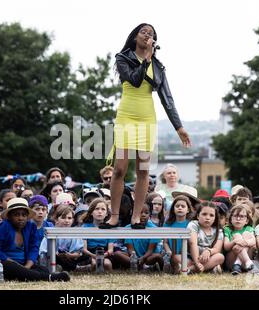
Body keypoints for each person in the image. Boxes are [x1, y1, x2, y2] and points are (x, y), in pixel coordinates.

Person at [101, 23, 191, 230]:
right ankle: (114, 216)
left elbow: (167, 98)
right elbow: (133, 80)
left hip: (146, 117)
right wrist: (146, 60)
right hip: (126, 116)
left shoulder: (158, 67)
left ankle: (135, 217)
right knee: (119, 169)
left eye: (151, 34)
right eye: (144, 32)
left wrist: (179, 127)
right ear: (135, 37)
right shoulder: (123, 58)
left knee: (143, 170)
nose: (147, 35)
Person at [0, 197, 70, 282]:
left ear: (27, 216)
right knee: (11, 267)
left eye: (24, 215)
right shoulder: (3, 227)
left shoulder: (30, 227)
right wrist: (18, 266)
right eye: (16, 215)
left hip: (24, 264)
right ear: (9, 216)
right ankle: (50, 278)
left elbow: (33, 248)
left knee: (43, 269)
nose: (20, 218)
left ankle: (26, 275)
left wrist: (27, 266)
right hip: (4, 263)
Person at [39, 205, 88, 271]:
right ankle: (75, 268)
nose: (67, 221)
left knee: (85, 256)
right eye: (63, 218)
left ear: (73, 220)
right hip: (53, 258)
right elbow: (43, 251)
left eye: (69, 218)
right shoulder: (51, 232)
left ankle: (68, 267)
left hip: (69, 258)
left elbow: (78, 253)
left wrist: (70, 255)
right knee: (55, 258)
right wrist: (54, 253)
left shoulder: (74, 233)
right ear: (56, 219)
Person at [187, 202, 225, 274]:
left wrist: (209, 251)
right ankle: (208, 268)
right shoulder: (193, 224)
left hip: (207, 258)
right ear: (198, 216)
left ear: (215, 218)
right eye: (204, 214)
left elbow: (217, 249)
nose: (207, 218)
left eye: (211, 215)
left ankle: (190, 270)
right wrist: (196, 262)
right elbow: (193, 243)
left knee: (220, 257)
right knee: (177, 257)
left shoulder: (218, 230)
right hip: (192, 256)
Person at [124, 203, 163, 271]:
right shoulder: (128, 228)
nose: (143, 215)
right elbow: (130, 248)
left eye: (146, 213)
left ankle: (142, 266)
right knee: (117, 254)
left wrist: (143, 258)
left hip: (148, 257)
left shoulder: (154, 229)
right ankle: (141, 266)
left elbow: (151, 250)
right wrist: (135, 258)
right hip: (133, 257)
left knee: (157, 256)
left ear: (150, 215)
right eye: (140, 212)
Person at [81, 198, 114, 271]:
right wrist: (94, 256)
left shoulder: (109, 228)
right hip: (90, 253)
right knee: (94, 264)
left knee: (107, 264)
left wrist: (102, 256)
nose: (100, 211)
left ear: (107, 214)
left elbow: (110, 250)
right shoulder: (85, 227)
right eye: (97, 209)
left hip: (104, 253)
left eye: (103, 209)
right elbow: (84, 249)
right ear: (91, 212)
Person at [223, 205, 256, 275]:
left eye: (241, 216)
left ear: (247, 220)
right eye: (235, 216)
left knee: (246, 234)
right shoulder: (227, 229)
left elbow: (254, 242)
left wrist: (245, 242)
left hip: (245, 264)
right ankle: (247, 261)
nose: (238, 218)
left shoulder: (249, 228)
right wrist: (235, 241)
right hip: (231, 261)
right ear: (231, 219)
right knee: (237, 235)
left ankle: (238, 263)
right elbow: (226, 247)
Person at [163, 195, 192, 274]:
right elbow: (165, 242)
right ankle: (183, 268)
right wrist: (168, 251)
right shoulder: (167, 224)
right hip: (173, 255)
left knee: (182, 260)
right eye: (177, 206)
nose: (180, 208)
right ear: (173, 209)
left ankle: (183, 268)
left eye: (183, 206)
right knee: (176, 257)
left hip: (188, 255)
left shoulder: (191, 224)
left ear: (188, 210)